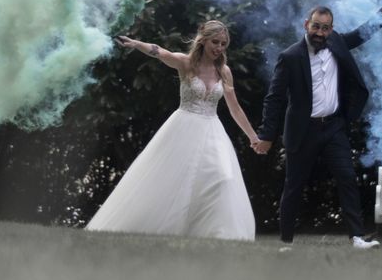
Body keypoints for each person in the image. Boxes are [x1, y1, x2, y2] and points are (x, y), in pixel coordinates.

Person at [253, 0, 382, 249]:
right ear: (306, 25)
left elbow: (364, 32)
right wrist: (266, 135)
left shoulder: (337, 43)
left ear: (331, 30)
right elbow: (274, 99)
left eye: (325, 28)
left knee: (347, 177)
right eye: (316, 27)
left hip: (334, 127)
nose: (320, 33)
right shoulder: (289, 57)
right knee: (293, 186)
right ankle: (286, 241)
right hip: (303, 130)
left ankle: (357, 237)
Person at [86, 20, 258, 241]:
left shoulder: (224, 71)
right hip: (184, 126)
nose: (219, 48)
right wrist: (135, 43)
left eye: (224, 44)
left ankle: (220, 235)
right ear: (203, 39)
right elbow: (159, 52)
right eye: (215, 42)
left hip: (213, 130)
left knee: (223, 177)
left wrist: (252, 136)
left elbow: (234, 107)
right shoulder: (186, 63)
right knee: (175, 181)